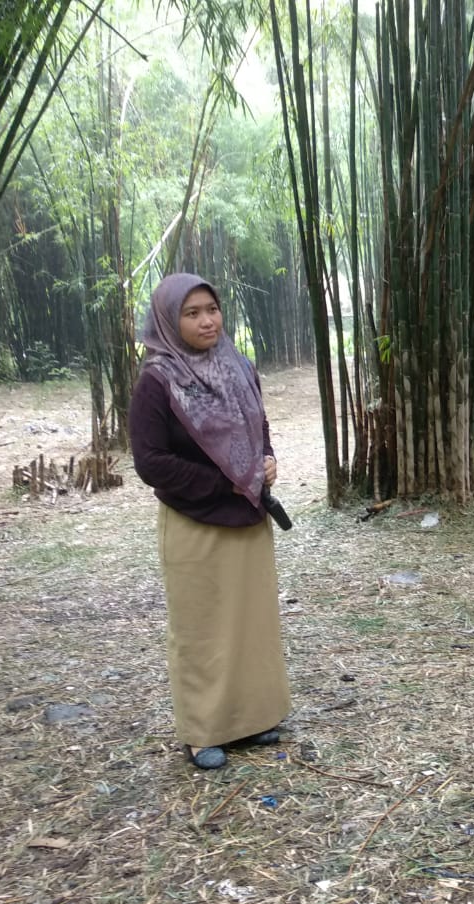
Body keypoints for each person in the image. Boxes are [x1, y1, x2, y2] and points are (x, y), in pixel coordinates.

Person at [129, 273, 291, 771]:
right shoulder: (157, 380)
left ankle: (253, 718)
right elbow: (150, 461)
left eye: (212, 309)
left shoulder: (239, 366)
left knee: (251, 624)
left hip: (247, 515)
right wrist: (225, 479)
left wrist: (265, 460)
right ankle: (202, 732)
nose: (206, 320)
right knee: (201, 628)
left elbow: (257, 427)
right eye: (192, 312)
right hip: (195, 520)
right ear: (169, 320)